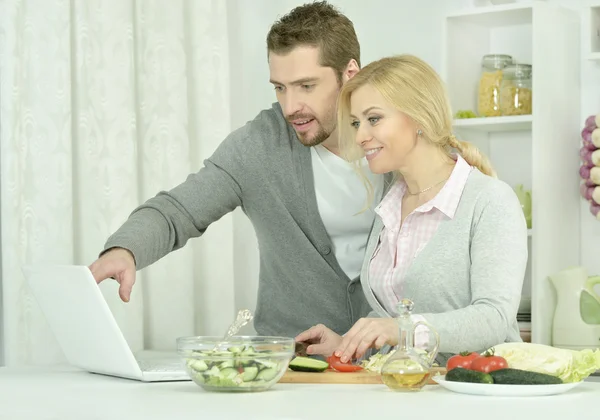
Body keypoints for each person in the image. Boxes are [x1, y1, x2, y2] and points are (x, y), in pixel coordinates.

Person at [88, 2, 388, 338]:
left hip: (393, 365)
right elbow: (178, 209)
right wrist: (125, 249)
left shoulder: (397, 139)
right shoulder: (260, 145)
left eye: (306, 86)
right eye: (280, 87)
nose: (290, 107)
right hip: (292, 362)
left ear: (350, 74)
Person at [295, 54, 528, 362]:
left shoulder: (490, 201)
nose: (361, 136)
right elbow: (395, 323)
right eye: (356, 123)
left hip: (478, 394)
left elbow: (494, 319)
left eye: (374, 119)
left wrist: (401, 329)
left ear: (419, 117)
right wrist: (349, 344)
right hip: (411, 393)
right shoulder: (390, 205)